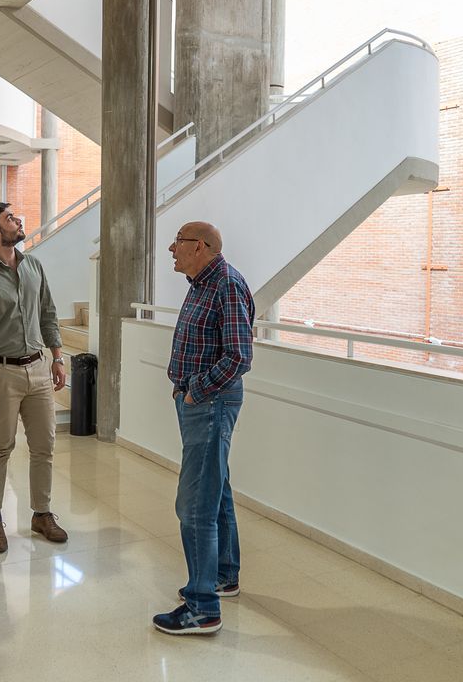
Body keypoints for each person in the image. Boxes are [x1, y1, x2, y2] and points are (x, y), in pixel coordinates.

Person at [153, 221, 254, 636]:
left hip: (210, 403)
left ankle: (202, 606)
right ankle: (223, 576)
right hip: (198, 402)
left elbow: (239, 356)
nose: (171, 248)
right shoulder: (201, 283)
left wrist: (195, 391)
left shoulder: (226, 285)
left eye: (178, 241)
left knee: (194, 505)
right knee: (217, 487)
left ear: (201, 246)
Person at [0, 202, 68, 552]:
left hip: (38, 367)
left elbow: (48, 312)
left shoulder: (33, 265)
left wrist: (57, 357)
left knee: (44, 446)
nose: (18, 220)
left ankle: (42, 513)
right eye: (10, 218)